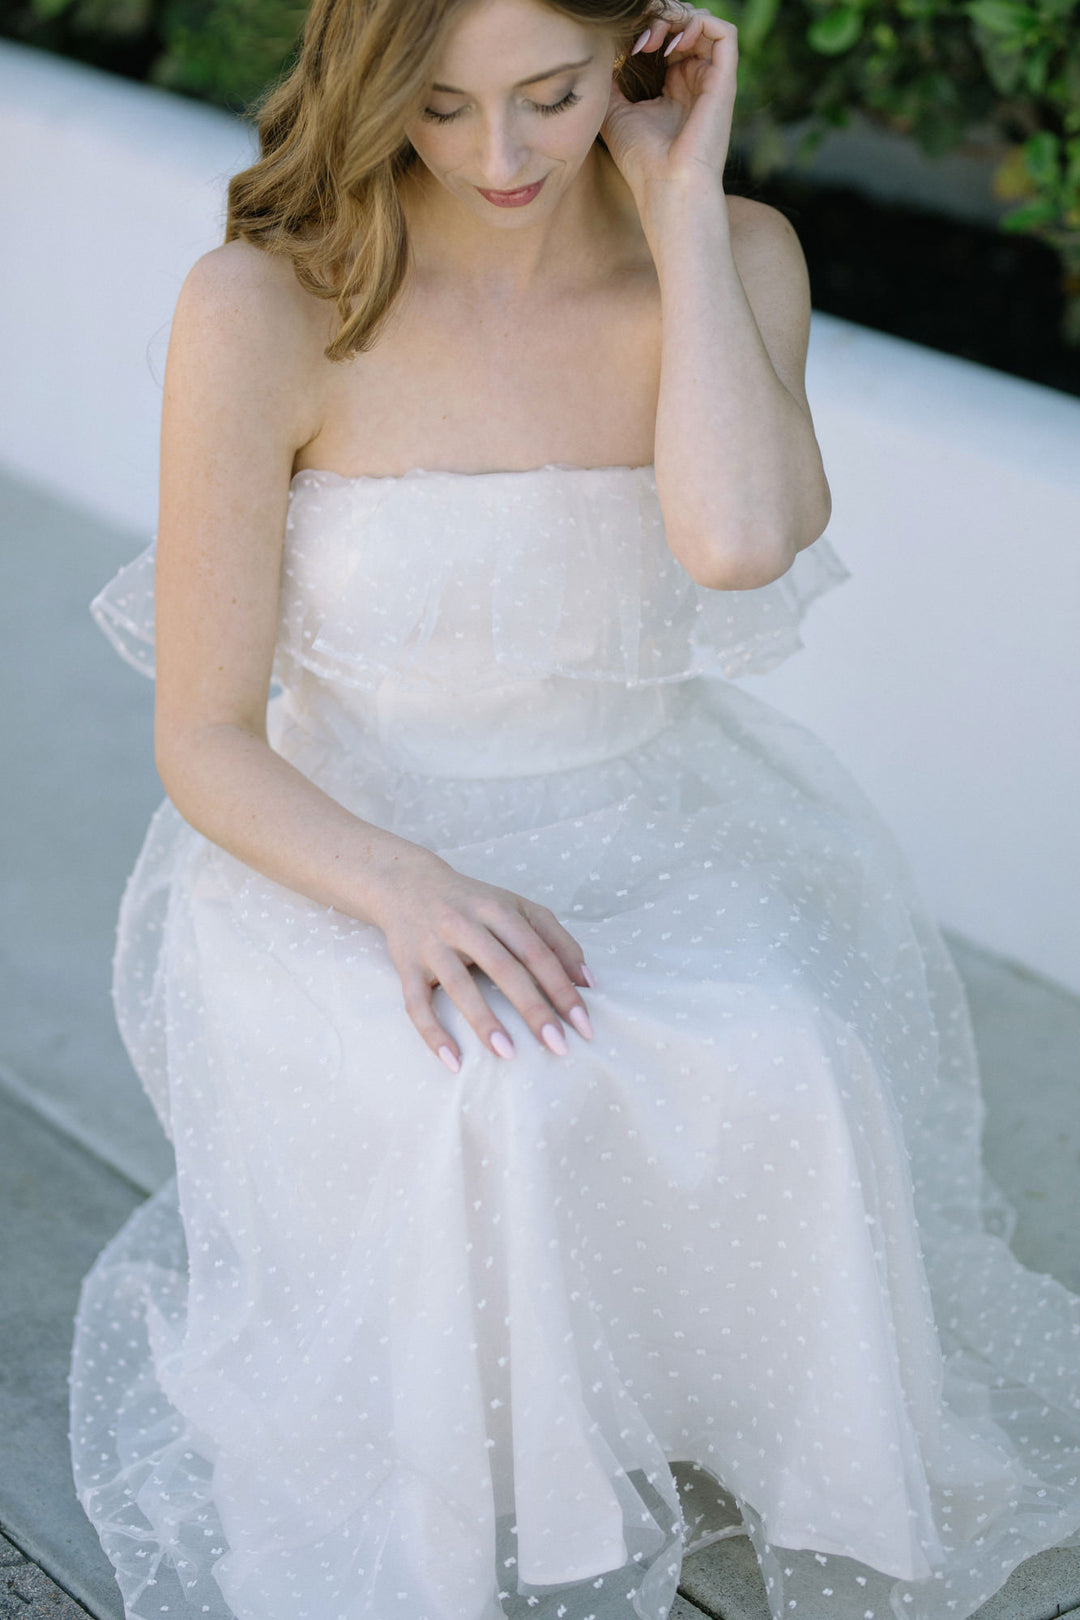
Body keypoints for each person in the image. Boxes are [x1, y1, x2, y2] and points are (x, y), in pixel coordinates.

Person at [69, 0, 1080, 1615]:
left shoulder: (735, 255)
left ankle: (697, 1394)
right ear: (373, 86)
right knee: (503, 1094)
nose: (502, 156)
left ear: (639, 53)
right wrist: (403, 885)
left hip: (652, 809)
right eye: (444, 110)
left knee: (789, 1052)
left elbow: (741, 545)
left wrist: (683, 212)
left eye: (549, 97)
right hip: (345, 845)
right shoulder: (263, 303)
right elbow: (203, 736)